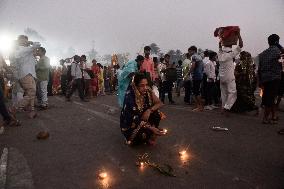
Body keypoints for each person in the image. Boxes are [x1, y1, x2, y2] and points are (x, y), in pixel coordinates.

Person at [120, 72, 164, 145]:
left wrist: (149, 110)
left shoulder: (147, 90)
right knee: (139, 137)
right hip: (132, 123)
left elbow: (159, 103)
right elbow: (132, 119)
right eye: (142, 85)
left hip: (143, 119)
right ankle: (145, 135)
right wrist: (151, 128)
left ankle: (149, 134)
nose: (145, 88)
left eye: (146, 85)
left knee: (157, 114)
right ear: (135, 86)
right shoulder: (130, 97)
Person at [11, 35, 40, 118]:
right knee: (31, 92)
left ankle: (32, 111)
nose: (25, 41)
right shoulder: (20, 49)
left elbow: (35, 62)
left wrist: (32, 51)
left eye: (26, 40)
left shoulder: (27, 51)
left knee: (31, 93)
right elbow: (38, 44)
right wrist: (30, 43)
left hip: (31, 74)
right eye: (23, 40)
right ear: (19, 41)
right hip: (25, 74)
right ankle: (15, 108)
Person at [258, 34, 282, 124]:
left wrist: (260, 81)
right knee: (271, 98)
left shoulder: (263, 53)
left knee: (269, 97)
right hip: (274, 78)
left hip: (265, 78)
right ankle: (265, 118)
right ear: (277, 42)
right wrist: (278, 46)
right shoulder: (278, 51)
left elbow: (259, 68)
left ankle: (273, 116)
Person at [218, 33, 243, 114]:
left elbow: (219, 47)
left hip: (222, 78)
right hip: (229, 77)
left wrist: (221, 40)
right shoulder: (230, 54)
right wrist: (239, 35)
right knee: (233, 93)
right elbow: (241, 45)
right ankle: (226, 108)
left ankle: (223, 108)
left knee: (224, 94)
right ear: (230, 47)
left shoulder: (220, 54)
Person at [188, 46, 204, 111]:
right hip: (200, 75)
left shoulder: (193, 57)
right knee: (197, 91)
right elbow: (202, 67)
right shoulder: (200, 57)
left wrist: (188, 73)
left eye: (189, 51)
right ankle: (198, 106)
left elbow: (193, 66)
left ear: (193, 50)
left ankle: (199, 107)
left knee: (196, 92)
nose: (189, 52)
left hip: (196, 76)